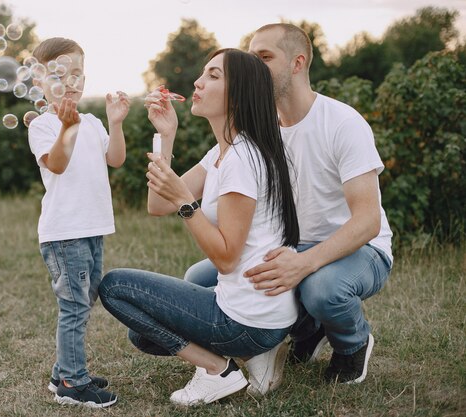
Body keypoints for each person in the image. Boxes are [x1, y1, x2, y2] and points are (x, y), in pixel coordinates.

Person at [185, 23, 393, 386]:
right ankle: (307, 329)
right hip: (286, 247)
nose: (254, 66)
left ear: (297, 63)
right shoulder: (255, 129)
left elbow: (367, 221)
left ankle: (352, 344)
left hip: (358, 249)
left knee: (322, 290)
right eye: (251, 58)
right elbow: (179, 190)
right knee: (197, 281)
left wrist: (304, 263)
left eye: (265, 57)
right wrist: (165, 134)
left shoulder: (342, 122)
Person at [98, 48, 300, 406]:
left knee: (114, 287)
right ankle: (254, 356)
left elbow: (225, 258)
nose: (198, 81)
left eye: (213, 75)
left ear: (238, 94)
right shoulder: (224, 152)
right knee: (142, 336)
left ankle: (217, 370)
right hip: (253, 311)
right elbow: (157, 205)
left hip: (246, 319)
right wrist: (166, 135)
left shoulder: (242, 159)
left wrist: (187, 205)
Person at [27, 37, 130, 408]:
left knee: (83, 300)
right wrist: (65, 127)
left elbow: (115, 159)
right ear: (39, 81)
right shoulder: (42, 125)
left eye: (78, 73)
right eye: (60, 73)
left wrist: (115, 123)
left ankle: (62, 372)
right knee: (73, 306)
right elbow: (56, 163)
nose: (72, 80)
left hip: (92, 228)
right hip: (65, 232)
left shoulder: (90, 122)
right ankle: (73, 383)